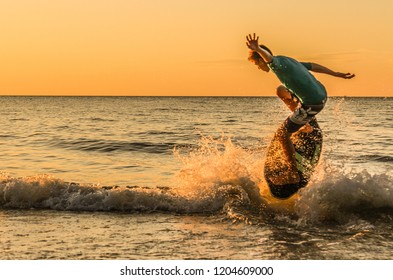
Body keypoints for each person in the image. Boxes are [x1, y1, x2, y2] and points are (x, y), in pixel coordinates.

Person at [246, 33, 355, 184]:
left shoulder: (275, 64)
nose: (257, 67)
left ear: (261, 59)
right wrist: (335, 74)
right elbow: (313, 66)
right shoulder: (287, 61)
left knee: (282, 134)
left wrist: (257, 48)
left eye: (256, 63)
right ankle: (306, 124)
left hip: (312, 103)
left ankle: (293, 173)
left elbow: (268, 57)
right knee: (281, 90)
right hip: (321, 94)